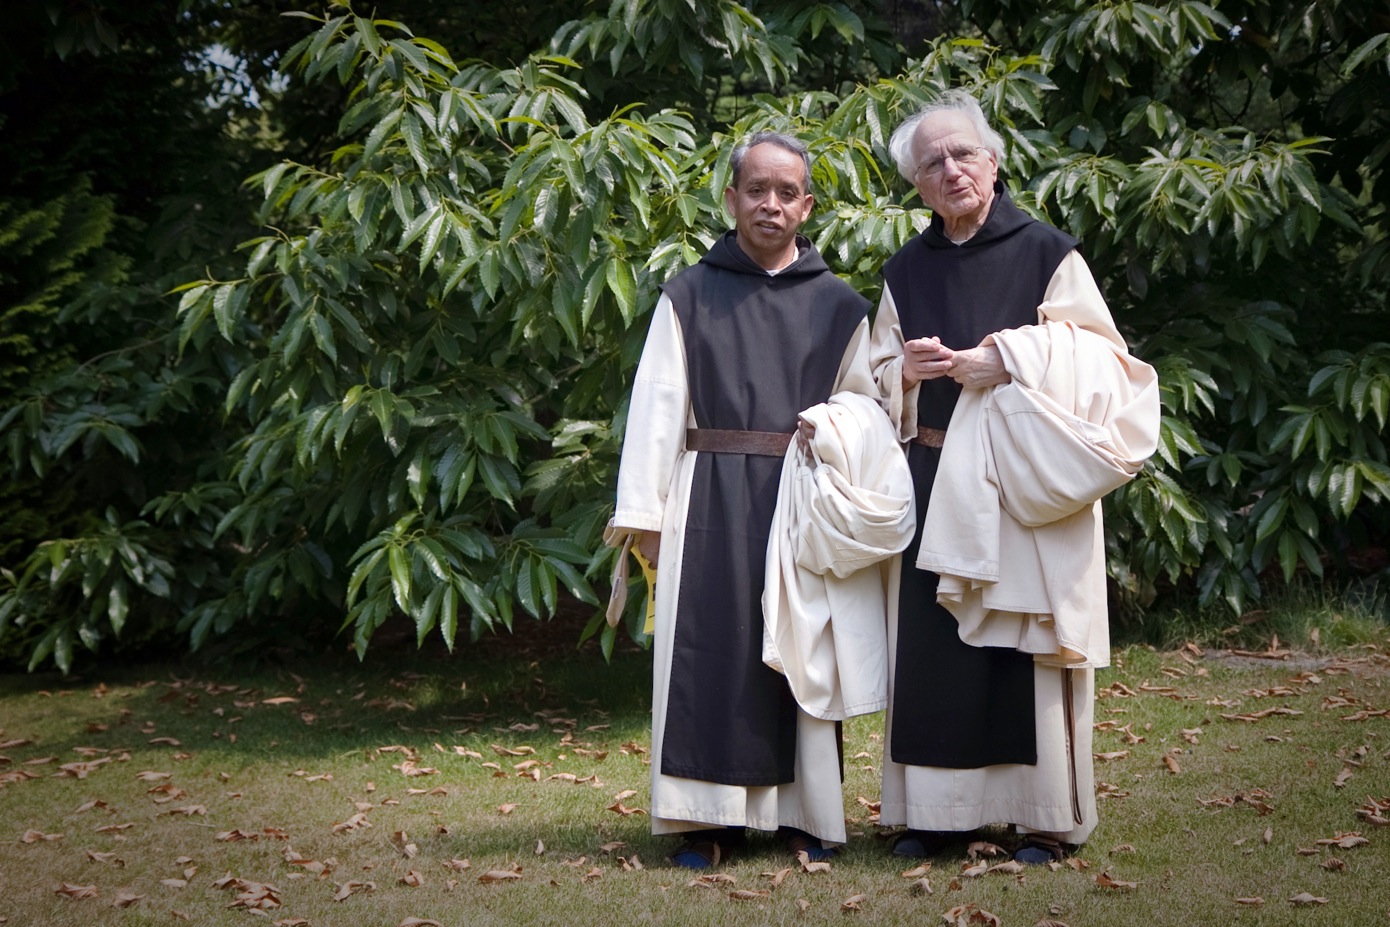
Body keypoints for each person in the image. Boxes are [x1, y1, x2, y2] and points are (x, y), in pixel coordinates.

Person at [869, 90, 1160, 864]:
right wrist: (904, 372)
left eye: (963, 153)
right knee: (936, 652)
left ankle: (1044, 818)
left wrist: (1009, 357)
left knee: (1022, 653)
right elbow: (867, 375)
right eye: (932, 163)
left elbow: (1108, 367)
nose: (951, 169)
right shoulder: (904, 270)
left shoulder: (1048, 253)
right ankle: (938, 815)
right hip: (934, 476)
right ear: (918, 186)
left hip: (1021, 483)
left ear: (994, 161)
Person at [611, 131, 877, 868]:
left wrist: (834, 442)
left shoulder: (840, 306)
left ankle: (807, 815)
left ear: (807, 206)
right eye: (756, 189)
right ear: (731, 199)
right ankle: (707, 820)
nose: (770, 204)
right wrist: (646, 516)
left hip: (801, 499)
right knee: (710, 651)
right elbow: (658, 405)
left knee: (799, 653)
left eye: (786, 192)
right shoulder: (688, 294)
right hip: (706, 500)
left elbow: (865, 411)